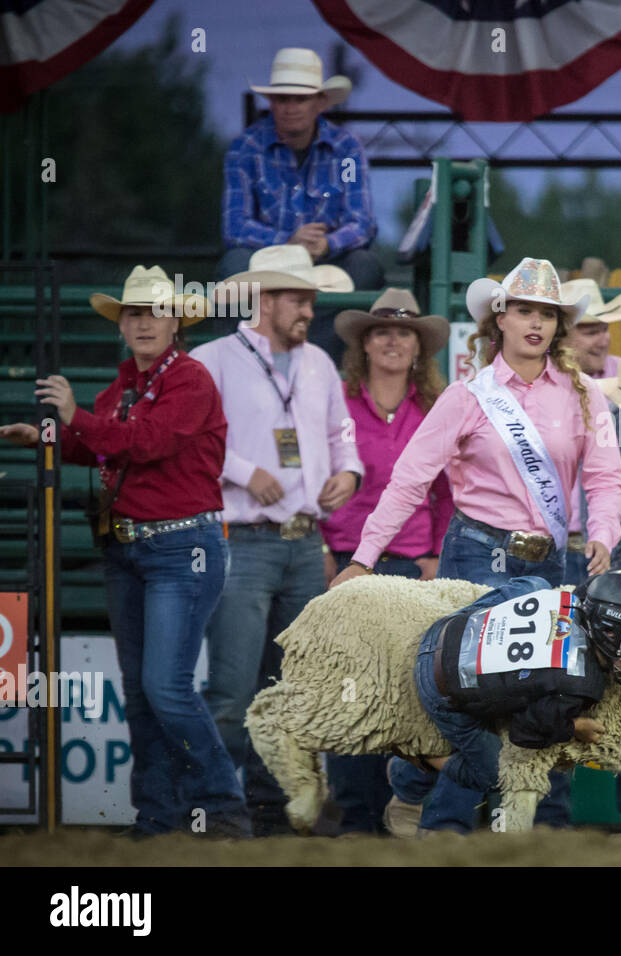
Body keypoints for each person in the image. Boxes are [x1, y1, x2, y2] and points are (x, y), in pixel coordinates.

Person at [329, 256, 621, 835]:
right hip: (479, 554)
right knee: (481, 692)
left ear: (557, 325)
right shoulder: (470, 396)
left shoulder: (586, 395)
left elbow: (605, 478)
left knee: (551, 692)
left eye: (547, 313)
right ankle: (447, 823)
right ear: (501, 319)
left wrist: (604, 533)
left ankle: (507, 815)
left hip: (553, 558)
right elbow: (412, 478)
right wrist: (364, 558)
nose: (535, 323)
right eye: (524, 311)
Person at [1, 267, 250, 838]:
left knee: (164, 687)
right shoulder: (124, 388)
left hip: (180, 545)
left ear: (174, 324)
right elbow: (108, 450)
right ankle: (160, 816)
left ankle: (221, 806)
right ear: (123, 325)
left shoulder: (190, 381)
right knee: (144, 691)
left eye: (154, 312)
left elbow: (147, 442)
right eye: (133, 313)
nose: (143, 322)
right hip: (137, 548)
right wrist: (50, 439)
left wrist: (75, 421)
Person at [190, 243, 363, 836]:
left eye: (312, 299)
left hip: (303, 540)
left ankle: (269, 808)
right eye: (298, 299)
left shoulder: (318, 363)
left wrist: (349, 473)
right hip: (241, 538)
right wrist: (244, 472)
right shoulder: (211, 358)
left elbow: (342, 433)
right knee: (233, 688)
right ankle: (213, 808)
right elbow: (191, 439)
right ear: (264, 300)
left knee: (289, 688)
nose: (308, 310)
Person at [316, 288, 455, 835]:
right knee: (349, 690)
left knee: (408, 694)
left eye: (405, 332)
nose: (394, 340)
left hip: (413, 568)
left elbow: (448, 492)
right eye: (382, 331)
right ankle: (353, 815)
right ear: (364, 344)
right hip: (348, 566)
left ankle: (402, 808)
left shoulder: (437, 409)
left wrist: (437, 553)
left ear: (419, 348)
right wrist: (325, 550)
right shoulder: (339, 406)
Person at [393, 569, 621, 812]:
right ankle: (419, 762)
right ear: (613, 635)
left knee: (535, 585)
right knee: (499, 775)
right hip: (438, 689)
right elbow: (525, 733)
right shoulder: (581, 684)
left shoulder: (570, 598)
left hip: (444, 627)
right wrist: (575, 726)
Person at [219, 47, 383, 355]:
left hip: (326, 259)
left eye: (301, 98)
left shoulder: (346, 148)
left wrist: (327, 244)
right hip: (267, 260)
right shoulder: (245, 148)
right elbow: (234, 227)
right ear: (271, 102)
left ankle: (323, 363)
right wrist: (287, 242)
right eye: (283, 99)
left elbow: (362, 223)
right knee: (235, 264)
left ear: (319, 103)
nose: (291, 107)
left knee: (365, 265)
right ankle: (241, 361)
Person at [557, 278, 621, 586]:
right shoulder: (539, 383)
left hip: (612, 544)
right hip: (549, 545)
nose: (603, 340)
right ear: (562, 336)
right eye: (590, 332)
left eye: (605, 330)